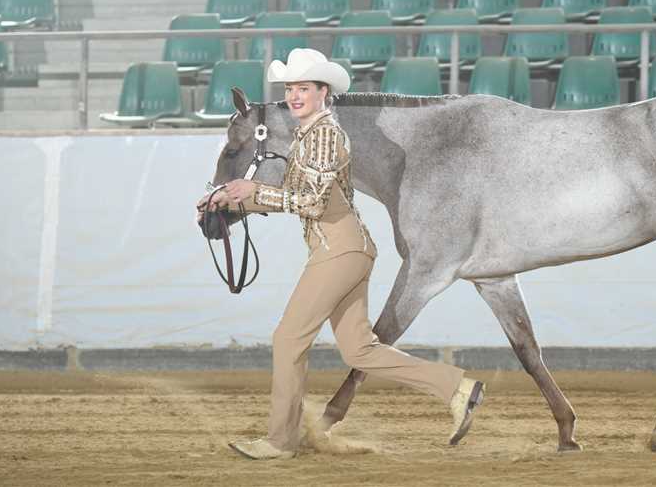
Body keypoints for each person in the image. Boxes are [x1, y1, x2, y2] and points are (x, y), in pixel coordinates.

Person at [199, 48, 485, 460]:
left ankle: (280, 440)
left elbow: (311, 202)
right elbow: (300, 196)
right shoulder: (310, 134)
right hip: (347, 247)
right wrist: (230, 199)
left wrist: (252, 191)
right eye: (290, 89)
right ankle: (457, 388)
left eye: (304, 88)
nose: (294, 95)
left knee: (288, 339)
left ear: (323, 93)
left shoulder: (324, 135)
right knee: (359, 350)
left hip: (339, 249)